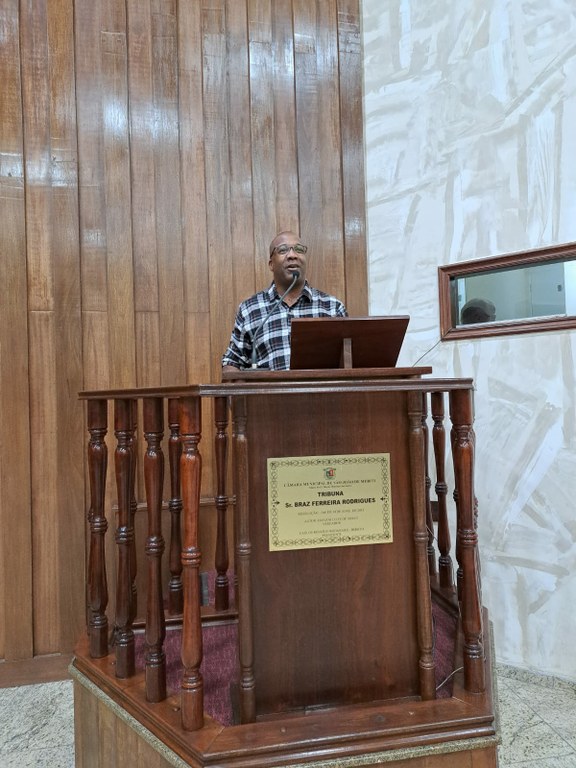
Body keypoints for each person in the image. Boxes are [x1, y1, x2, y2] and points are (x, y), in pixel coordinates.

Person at [222, 230, 347, 371]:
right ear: (271, 264)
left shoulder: (332, 308)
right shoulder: (249, 310)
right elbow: (232, 363)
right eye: (283, 250)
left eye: (299, 249)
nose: (292, 255)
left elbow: (348, 363)